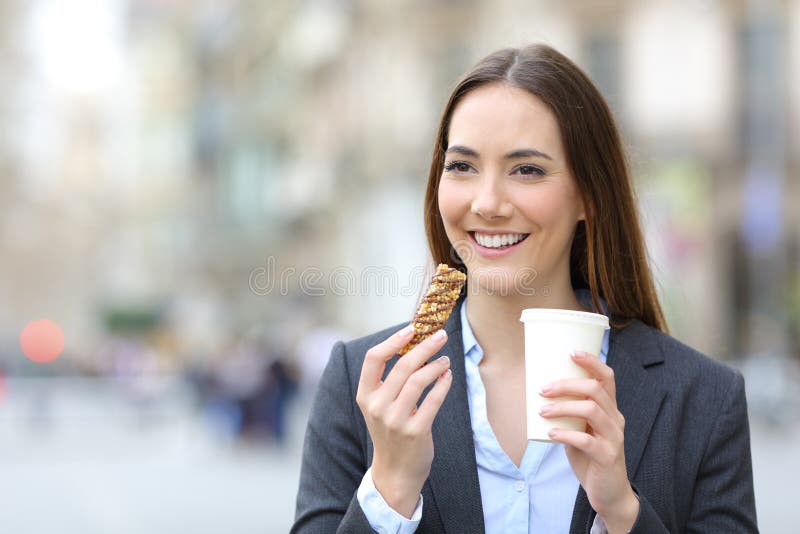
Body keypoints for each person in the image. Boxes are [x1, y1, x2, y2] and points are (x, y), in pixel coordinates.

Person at [292, 44, 758, 533]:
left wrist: (621, 512)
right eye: (462, 167)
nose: (488, 202)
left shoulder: (703, 397)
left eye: (527, 170)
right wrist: (390, 488)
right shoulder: (363, 386)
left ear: (590, 195)